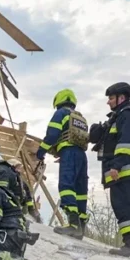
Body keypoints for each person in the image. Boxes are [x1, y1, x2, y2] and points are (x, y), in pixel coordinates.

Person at [90, 82, 130, 257]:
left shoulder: (127, 115)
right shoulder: (123, 116)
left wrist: (116, 166)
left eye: (110, 98)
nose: (108, 102)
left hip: (124, 170)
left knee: (124, 207)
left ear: (121, 98)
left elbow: (126, 143)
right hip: (126, 170)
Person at [36, 89, 90, 238]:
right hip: (81, 155)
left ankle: (72, 224)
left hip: (69, 153)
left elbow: (52, 135)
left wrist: (41, 152)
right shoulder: (80, 118)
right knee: (80, 191)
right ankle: (80, 226)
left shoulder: (61, 113)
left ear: (58, 101)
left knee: (66, 186)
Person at [7, 157, 40, 223]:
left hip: (20, 207)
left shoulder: (21, 182)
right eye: (17, 167)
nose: (19, 170)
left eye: (20, 168)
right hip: (9, 206)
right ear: (11, 167)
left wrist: (30, 208)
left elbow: (27, 194)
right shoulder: (7, 178)